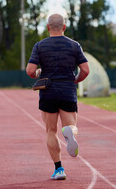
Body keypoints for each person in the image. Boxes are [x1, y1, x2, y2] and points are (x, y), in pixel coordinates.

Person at [26, 14, 89, 180]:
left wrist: (39, 72)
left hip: (48, 92)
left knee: (50, 131)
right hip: (68, 90)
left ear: (48, 27)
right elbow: (86, 70)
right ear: (64, 27)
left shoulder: (39, 46)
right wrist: (75, 79)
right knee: (71, 126)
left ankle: (59, 169)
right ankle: (70, 132)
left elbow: (30, 71)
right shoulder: (75, 45)